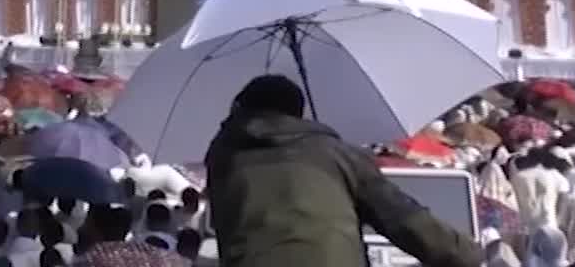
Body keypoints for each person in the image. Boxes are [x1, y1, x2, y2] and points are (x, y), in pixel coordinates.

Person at [204, 74, 483, 267]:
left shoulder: (223, 157)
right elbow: (401, 217)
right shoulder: (337, 154)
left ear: (241, 109)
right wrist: (464, 253)